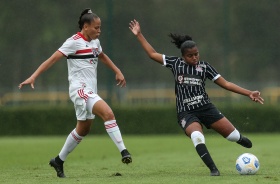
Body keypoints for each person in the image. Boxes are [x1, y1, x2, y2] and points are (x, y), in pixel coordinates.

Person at [129, 19, 263, 176]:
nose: (194, 58)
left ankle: (239, 138)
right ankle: (213, 169)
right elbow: (152, 54)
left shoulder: (204, 67)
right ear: (183, 56)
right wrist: (139, 35)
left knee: (232, 136)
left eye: (196, 54)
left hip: (206, 108)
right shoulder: (175, 64)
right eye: (190, 55)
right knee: (197, 136)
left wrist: (248, 93)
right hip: (186, 112)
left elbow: (226, 84)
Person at [18, 8, 132, 178]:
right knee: (108, 113)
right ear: (85, 27)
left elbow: (102, 56)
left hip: (90, 90)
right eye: (96, 27)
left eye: (100, 27)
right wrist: (33, 76)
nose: (99, 31)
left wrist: (117, 70)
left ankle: (58, 160)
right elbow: (52, 59)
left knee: (83, 129)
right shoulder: (73, 42)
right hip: (80, 90)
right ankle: (124, 151)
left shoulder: (95, 42)